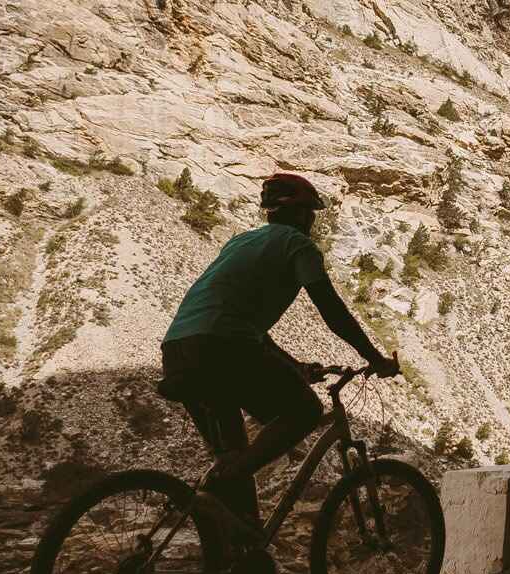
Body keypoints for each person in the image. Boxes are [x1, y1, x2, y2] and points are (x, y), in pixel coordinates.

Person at [159, 172, 399, 539]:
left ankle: (232, 561)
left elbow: (250, 330)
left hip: (179, 348)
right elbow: (332, 310)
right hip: (222, 348)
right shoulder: (298, 245)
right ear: (304, 214)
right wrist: (375, 357)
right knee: (303, 411)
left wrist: (295, 367)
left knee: (232, 454)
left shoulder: (240, 242)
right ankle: (231, 477)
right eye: (311, 213)